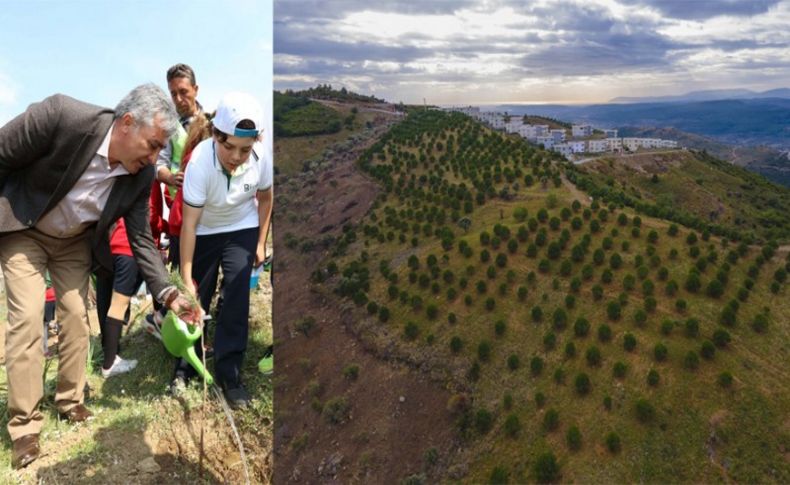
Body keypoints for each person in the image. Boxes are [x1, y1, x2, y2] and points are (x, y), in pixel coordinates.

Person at [0, 83, 202, 469]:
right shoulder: (62, 118)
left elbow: (141, 237)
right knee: (27, 319)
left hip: (74, 242)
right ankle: (24, 427)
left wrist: (169, 295)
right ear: (127, 124)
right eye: (153, 144)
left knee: (76, 317)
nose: (155, 156)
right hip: (25, 228)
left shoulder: (140, 175)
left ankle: (71, 401)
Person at [179, 92, 273, 408]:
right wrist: (186, 278)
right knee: (198, 297)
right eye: (228, 146)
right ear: (216, 136)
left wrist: (260, 241)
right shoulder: (200, 163)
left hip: (241, 227)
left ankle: (230, 374)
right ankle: (184, 366)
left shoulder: (260, 157)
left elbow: (267, 198)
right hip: (204, 229)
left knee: (236, 294)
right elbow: (189, 225)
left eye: (244, 149)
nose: (236, 156)